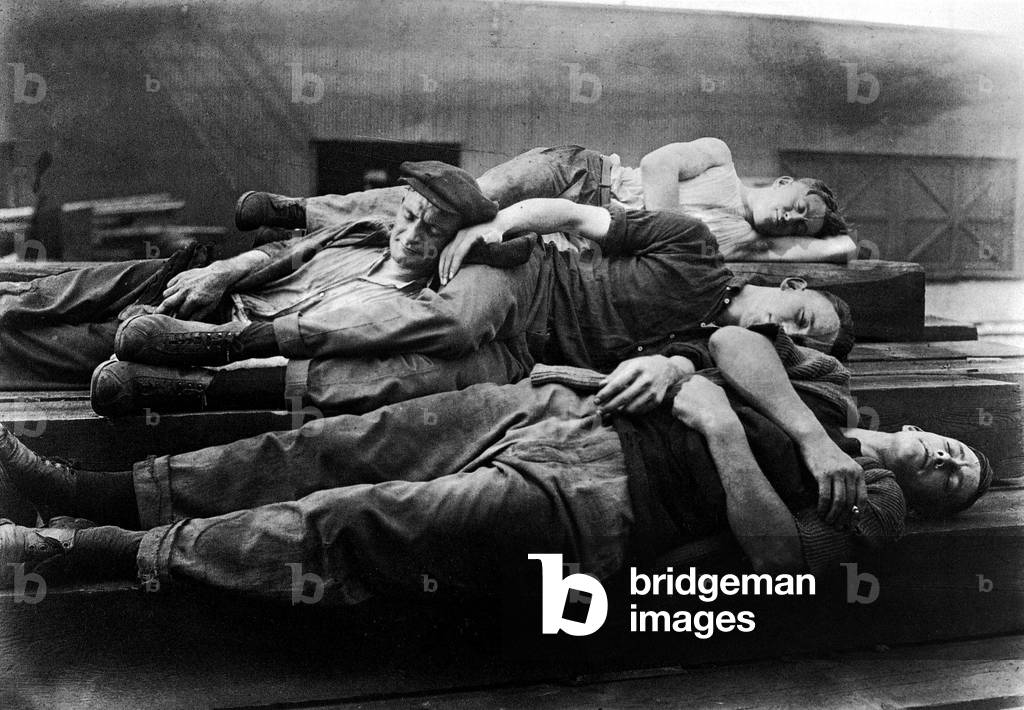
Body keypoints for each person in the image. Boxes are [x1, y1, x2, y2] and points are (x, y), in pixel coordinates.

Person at [0, 327, 991, 601]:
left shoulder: (879, 509)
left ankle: (94, 547)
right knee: (319, 446)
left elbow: (775, 562)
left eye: (960, 480)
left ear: (935, 502)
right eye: (961, 450)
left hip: (593, 499)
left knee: (361, 515)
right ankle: (80, 488)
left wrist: (721, 427)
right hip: (558, 404)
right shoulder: (828, 395)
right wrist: (694, 375)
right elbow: (735, 339)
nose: (952, 461)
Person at [96, 192, 854, 420]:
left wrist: (672, 367)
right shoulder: (693, 245)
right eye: (799, 318)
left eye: (794, 341)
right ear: (790, 289)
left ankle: (195, 387)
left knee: (426, 381)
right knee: (455, 324)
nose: (777, 330)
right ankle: (229, 343)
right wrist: (498, 228)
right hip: (527, 278)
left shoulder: (709, 354)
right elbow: (569, 212)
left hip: (531, 354)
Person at [0, 161, 510, 390]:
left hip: (215, 335)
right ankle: (10, 303)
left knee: (76, 343)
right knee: (93, 284)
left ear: (454, 237)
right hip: (222, 287)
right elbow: (281, 251)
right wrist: (221, 272)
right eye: (410, 216)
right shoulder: (364, 232)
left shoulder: (417, 302)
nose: (411, 234)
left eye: (432, 228)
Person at [236, 141, 857, 262]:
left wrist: (825, 236)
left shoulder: (742, 244)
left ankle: (298, 242)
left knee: (443, 241)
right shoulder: (721, 159)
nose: (791, 217)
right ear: (785, 182)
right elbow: (658, 163)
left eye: (800, 224)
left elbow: (841, 248)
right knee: (454, 199)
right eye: (799, 203)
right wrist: (660, 228)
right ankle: (295, 211)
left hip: (575, 229)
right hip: (579, 174)